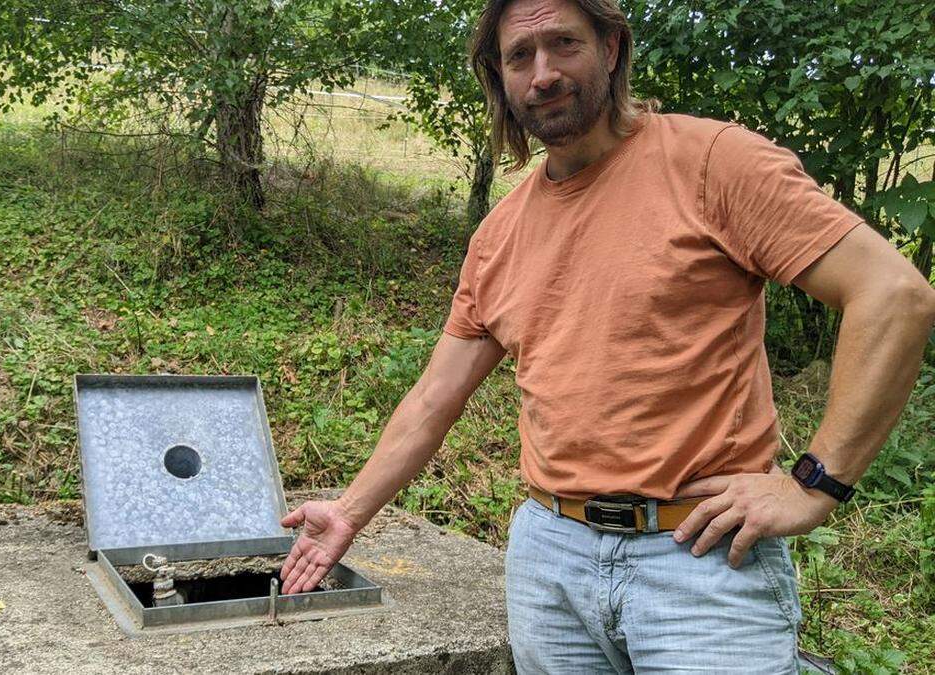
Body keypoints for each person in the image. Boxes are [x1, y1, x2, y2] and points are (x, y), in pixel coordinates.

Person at [278, 0, 935, 672]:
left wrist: (814, 484)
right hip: (550, 561)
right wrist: (350, 511)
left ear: (612, 48)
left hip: (700, 561)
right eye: (519, 56)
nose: (543, 74)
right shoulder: (499, 236)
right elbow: (433, 397)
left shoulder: (711, 162)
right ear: (500, 78)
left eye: (564, 43)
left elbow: (894, 296)